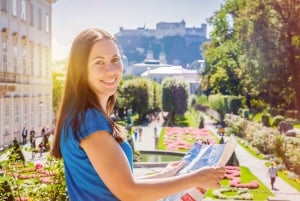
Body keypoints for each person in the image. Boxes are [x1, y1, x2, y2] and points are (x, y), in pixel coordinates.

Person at [50, 28, 225, 201]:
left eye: (115, 59)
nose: (111, 70)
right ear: (81, 69)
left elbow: (119, 186)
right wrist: (194, 179)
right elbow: (129, 192)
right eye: (99, 62)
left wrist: (165, 174)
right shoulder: (90, 121)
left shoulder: (84, 116)